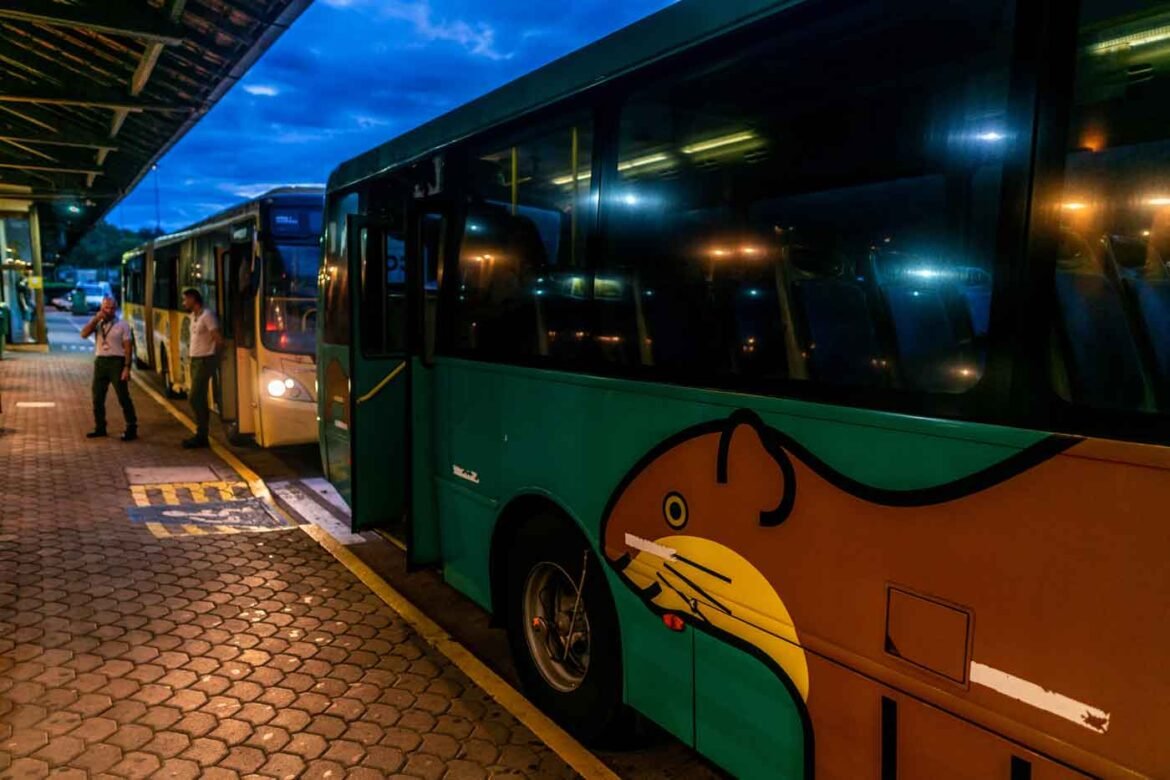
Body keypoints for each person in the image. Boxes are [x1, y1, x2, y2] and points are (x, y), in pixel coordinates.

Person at [80, 296, 137, 441]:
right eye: (106, 307)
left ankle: (131, 427)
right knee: (97, 397)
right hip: (100, 362)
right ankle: (100, 427)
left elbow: (128, 347)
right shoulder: (97, 324)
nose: (109, 311)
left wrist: (126, 367)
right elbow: (83, 334)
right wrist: (95, 320)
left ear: (116, 309)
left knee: (123, 397)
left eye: (112, 308)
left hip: (116, 362)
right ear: (101, 308)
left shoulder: (122, 325)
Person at [181, 287, 223, 448]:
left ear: (193, 299)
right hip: (195, 360)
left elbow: (218, 339)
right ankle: (202, 435)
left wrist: (215, 359)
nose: (184, 302)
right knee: (199, 397)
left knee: (194, 397)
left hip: (205, 360)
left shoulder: (207, 316)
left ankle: (201, 433)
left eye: (186, 299)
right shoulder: (193, 316)